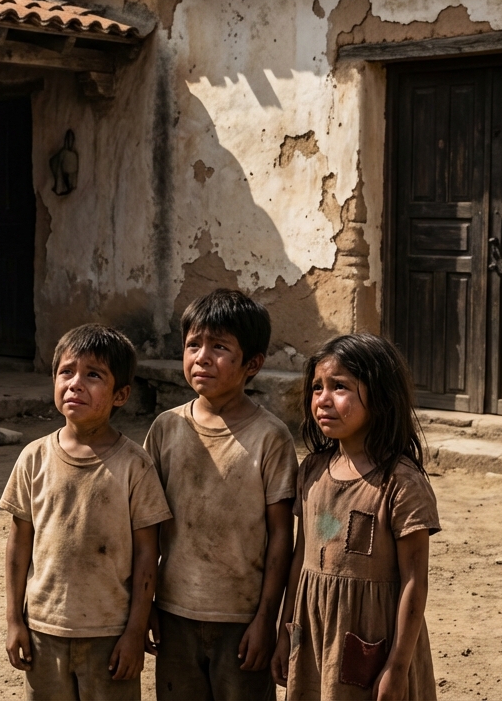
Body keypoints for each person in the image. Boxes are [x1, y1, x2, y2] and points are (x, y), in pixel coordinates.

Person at [0, 325, 172, 701]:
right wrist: (15, 620)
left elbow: (148, 554)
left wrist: (134, 631)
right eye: (66, 372)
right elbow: (18, 544)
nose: (75, 383)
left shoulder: (134, 466)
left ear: (121, 395)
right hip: (44, 630)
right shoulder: (34, 458)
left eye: (93, 375)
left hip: (109, 633)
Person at [143, 289, 298, 700]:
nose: (202, 357)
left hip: (242, 619)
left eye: (220, 347)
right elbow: (146, 527)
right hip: (174, 612)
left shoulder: (270, 438)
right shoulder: (165, 429)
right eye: (193, 344)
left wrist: (267, 619)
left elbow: (282, 536)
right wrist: (146, 606)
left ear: (253, 364)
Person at [272, 333, 441, 700]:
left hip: (375, 641)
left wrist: (397, 667)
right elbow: (300, 557)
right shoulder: (312, 471)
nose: (323, 400)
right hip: (313, 637)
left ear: (379, 397)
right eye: (317, 387)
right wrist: (286, 632)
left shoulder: (400, 482)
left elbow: (415, 581)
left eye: (340, 387)